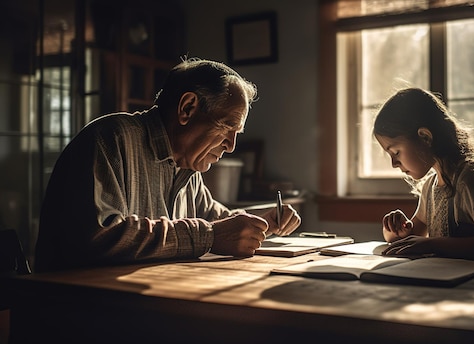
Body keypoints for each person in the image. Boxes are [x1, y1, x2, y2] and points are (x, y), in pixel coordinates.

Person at [34, 58, 301, 272]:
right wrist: (207, 236)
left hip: (139, 305)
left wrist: (259, 219)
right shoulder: (111, 138)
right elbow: (99, 235)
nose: (230, 146)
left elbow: (213, 219)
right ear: (187, 108)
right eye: (226, 127)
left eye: (236, 134)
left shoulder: (188, 165)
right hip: (79, 314)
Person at [373, 88, 474, 263]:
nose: (393, 164)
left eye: (396, 152)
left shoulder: (471, 180)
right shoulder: (430, 187)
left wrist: (432, 244)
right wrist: (396, 233)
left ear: (425, 137)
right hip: (443, 283)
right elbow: (412, 240)